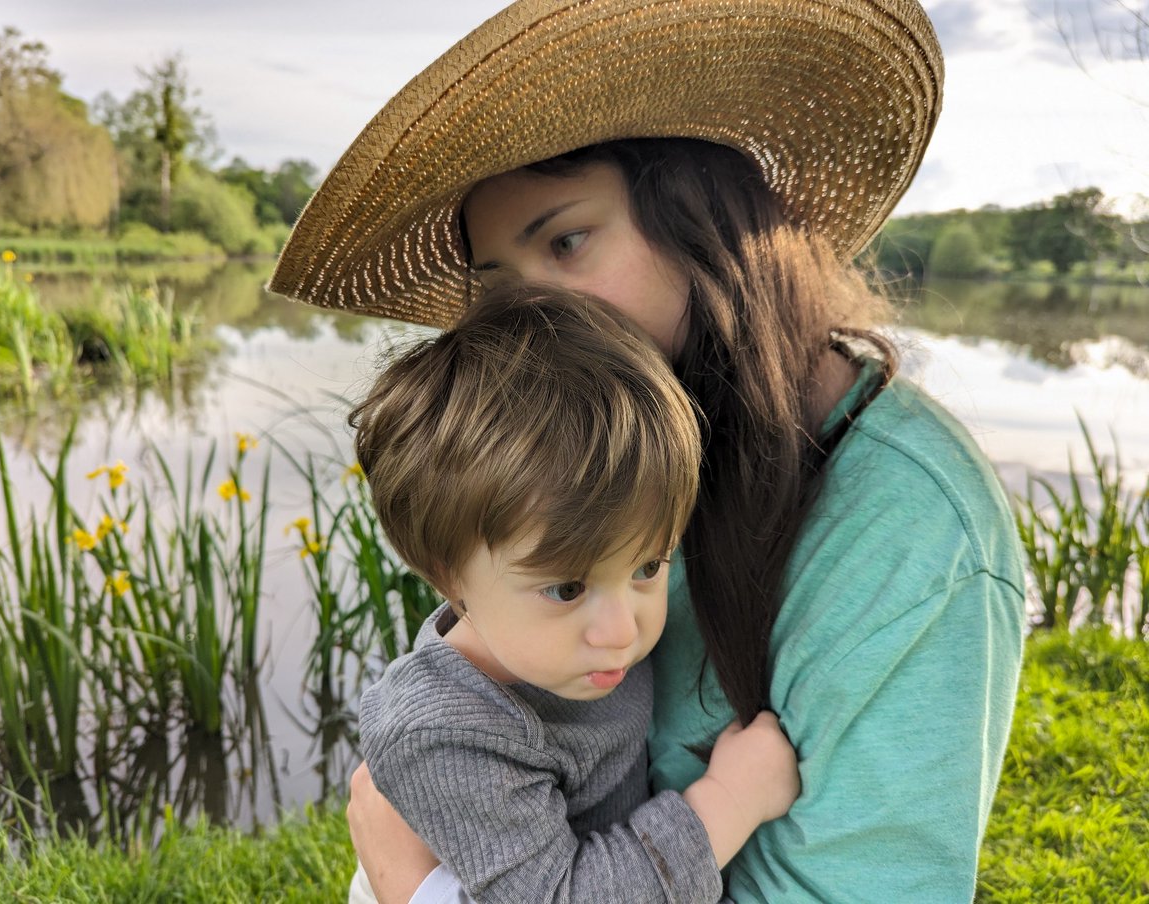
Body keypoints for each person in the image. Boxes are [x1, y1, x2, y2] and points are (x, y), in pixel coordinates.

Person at [269, 0, 1026, 901]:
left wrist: (416, 891)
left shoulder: (911, 534)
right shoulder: (606, 450)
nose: (537, 317)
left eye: (567, 239)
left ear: (700, 214)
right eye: (499, 282)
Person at [344, 285, 799, 904]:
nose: (621, 631)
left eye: (647, 566)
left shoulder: (542, 639)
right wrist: (729, 800)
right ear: (449, 575)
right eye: (566, 587)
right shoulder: (445, 733)